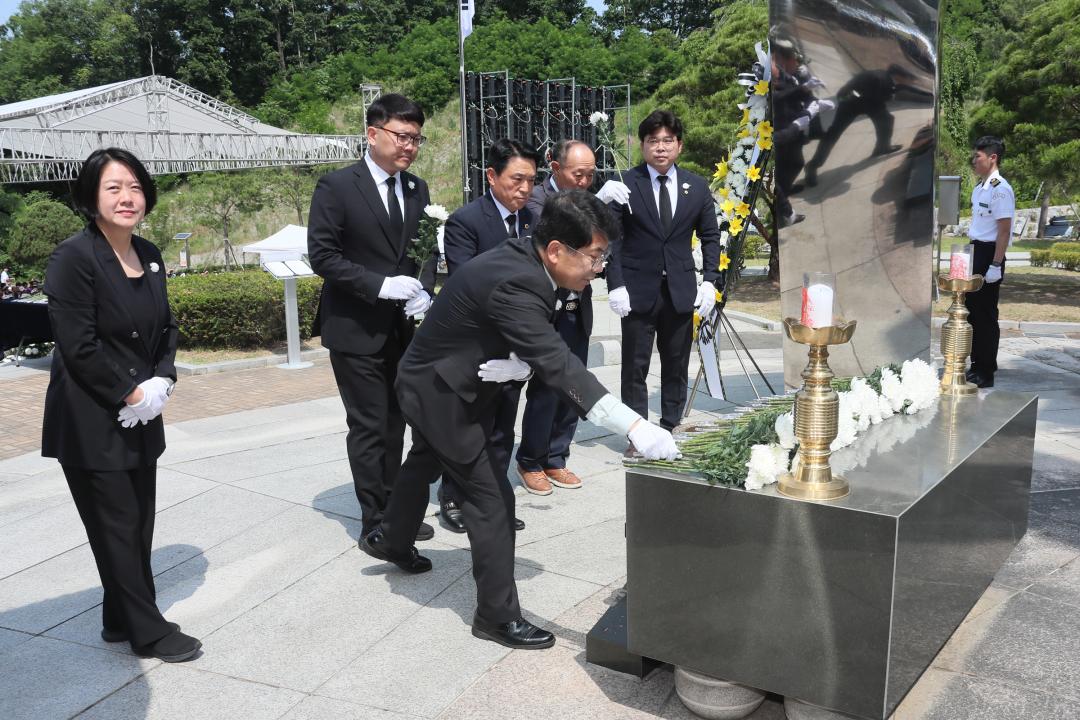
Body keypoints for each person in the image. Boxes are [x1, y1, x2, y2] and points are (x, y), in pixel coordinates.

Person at [361, 190, 680, 649]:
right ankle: (495, 616)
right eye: (594, 256)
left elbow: (529, 341)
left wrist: (523, 364)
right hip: (438, 391)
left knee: (426, 460)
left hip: (453, 378)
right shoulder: (518, 279)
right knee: (491, 502)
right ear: (556, 250)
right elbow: (560, 362)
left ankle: (390, 540)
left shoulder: (528, 258)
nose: (599, 267)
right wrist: (635, 426)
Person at [41, 148, 200, 662]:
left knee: (138, 522)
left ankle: (118, 617)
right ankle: (147, 630)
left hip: (142, 414)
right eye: (113, 188)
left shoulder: (149, 252)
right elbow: (77, 344)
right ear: (91, 197)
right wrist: (130, 392)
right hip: (92, 418)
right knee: (116, 526)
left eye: (134, 186)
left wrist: (162, 382)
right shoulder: (73, 258)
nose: (127, 197)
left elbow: (166, 328)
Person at [307, 94, 437, 539]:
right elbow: (322, 257)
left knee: (397, 421)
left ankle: (395, 509)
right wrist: (380, 285)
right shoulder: (337, 186)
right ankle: (375, 522)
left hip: (403, 329)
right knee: (368, 426)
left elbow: (426, 251)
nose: (409, 147)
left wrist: (425, 291)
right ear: (373, 133)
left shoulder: (418, 189)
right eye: (402, 136)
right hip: (355, 328)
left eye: (416, 139)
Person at [437, 138, 542, 532]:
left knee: (501, 431)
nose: (525, 189)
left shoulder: (533, 222)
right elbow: (467, 282)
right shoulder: (466, 221)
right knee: (467, 429)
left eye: (532, 181)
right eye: (517, 179)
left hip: (515, 348)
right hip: (475, 346)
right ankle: (453, 496)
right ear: (492, 176)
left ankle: (494, 499)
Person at [515, 139, 630, 494]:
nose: (584, 181)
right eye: (577, 174)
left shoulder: (588, 199)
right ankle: (530, 460)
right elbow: (547, 225)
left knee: (574, 382)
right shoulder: (536, 199)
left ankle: (556, 456)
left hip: (577, 304)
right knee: (547, 386)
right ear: (556, 168)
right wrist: (595, 205)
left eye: (590, 175)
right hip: (545, 304)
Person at [607, 110, 722, 436]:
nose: (660, 147)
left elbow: (710, 237)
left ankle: (671, 422)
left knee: (676, 363)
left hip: (680, 290)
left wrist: (710, 281)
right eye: (653, 141)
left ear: (679, 146)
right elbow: (613, 238)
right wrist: (616, 284)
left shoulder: (696, 187)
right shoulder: (626, 184)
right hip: (637, 291)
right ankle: (637, 432)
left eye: (667, 141)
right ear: (642, 146)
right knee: (634, 367)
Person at [804, 64, 916, 186]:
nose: (910, 82)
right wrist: (891, 94)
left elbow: (877, 96)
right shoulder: (882, 80)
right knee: (834, 133)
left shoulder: (883, 76)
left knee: (886, 119)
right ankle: (812, 166)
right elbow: (882, 98)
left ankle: (882, 147)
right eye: (909, 79)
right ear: (899, 76)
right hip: (850, 103)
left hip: (864, 100)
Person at [965, 136, 1014, 389]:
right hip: (976, 251)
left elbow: (1003, 231)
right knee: (972, 312)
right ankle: (977, 364)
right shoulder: (980, 188)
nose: (974, 160)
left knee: (985, 315)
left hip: (989, 255)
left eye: (979, 156)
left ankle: (986, 371)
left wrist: (995, 265)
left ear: (992, 158)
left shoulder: (1000, 189)